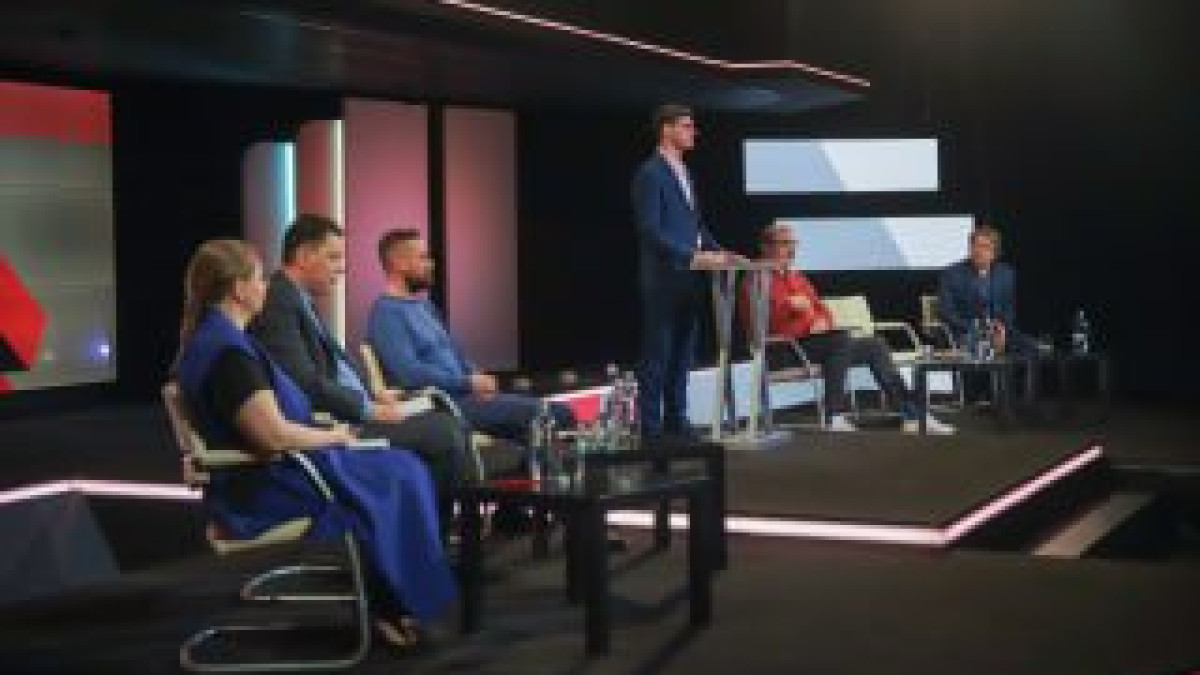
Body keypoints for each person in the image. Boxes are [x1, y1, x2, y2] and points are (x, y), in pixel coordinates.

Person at [173, 238, 455, 646]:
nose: (265, 288)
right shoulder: (229, 355)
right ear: (238, 289)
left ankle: (397, 599)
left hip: (279, 469)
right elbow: (272, 435)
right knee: (402, 473)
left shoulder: (217, 341)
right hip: (269, 485)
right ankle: (398, 603)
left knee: (402, 469)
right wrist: (333, 436)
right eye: (259, 279)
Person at [247, 214, 468, 511]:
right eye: (333, 257)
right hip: (328, 425)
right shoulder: (279, 300)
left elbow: (332, 368)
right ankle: (430, 533)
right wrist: (367, 408)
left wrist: (374, 395)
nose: (342, 268)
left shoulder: (298, 299)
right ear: (304, 256)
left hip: (351, 412)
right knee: (443, 432)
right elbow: (303, 381)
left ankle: (428, 527)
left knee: (445, 422)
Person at [742, 221, 955, 434]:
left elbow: (823, 310)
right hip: (780, 350)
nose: (791, 249)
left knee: (875, 345)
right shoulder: (756, 278)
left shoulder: (796, 277)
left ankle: (912, 415)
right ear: (766, 247)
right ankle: (834, 416)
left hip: (811, 345)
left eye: (793, 243)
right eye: (784, 243)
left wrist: (821, 321)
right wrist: (789, 308)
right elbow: (761, 325)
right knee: (839, 340)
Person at [365, 229, 575, 444]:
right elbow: (410, 375)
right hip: (444, 406)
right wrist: (467, 383)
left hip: (467, 397)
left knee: (542, 423)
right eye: (423, 257)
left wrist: (477, 378)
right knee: (557, 414)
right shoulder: (386, 315)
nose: (431, 264)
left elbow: (454, 352)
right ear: (400, 264)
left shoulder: (424, 306)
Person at [631, 103, 738, 441]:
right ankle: (650, 427)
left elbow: (695, 226)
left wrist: (720, 251)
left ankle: (677, 419)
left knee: (683, 354)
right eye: (687, 126)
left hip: (691, 277)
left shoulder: (685, 172)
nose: (694, 132)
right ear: (667, 129)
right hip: (664, 278)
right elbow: (650, 229)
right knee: (658, 354)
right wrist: (693, 255)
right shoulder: (650, 173)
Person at [938, 224, 1036, 357]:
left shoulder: (1006, 274)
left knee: (1032, 348)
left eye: (985, 247)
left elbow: (1009, 310)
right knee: (977, 347)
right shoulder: (952, 274)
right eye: (975, 246)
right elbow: (947, 313)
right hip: (966, 332)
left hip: (999, 332)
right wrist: (980, 329)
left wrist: (1002, 329)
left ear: (994, 252)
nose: (979, 251)